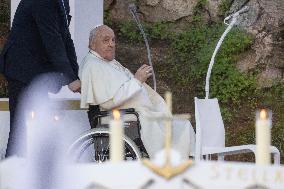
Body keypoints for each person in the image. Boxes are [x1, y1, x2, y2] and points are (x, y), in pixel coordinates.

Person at [79, 25, 195, 159]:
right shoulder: (93, 65)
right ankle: (171, 161)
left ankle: (185, 160)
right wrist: (137, 80)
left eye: (113, 40)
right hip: (126, 116)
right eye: (106, 40)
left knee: (182, 125)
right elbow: (110, 102)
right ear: (92, 44)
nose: (111, 44)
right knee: (175, 127)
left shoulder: (107, 62)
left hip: (138, 112)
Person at [0, 0, 80, 157]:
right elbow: (52, 38)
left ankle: (36, 172)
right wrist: (70, 79)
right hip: (22, 69)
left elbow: (65, 37)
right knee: (20, 129)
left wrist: (74, 75)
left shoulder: (63, 1)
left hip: (36, 71)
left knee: (40, 127)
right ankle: (12, 175)